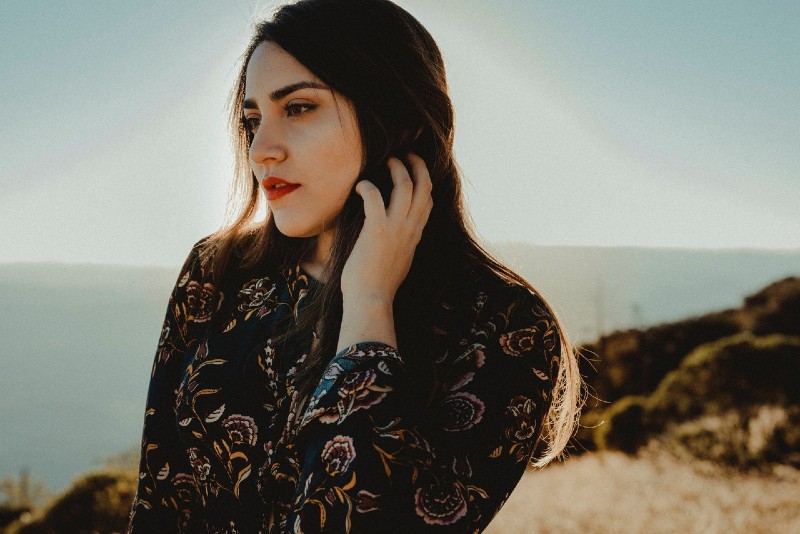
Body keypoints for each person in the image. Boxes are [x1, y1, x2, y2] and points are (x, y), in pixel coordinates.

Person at [128, 0, 582, 532]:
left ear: (402, 121)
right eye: (253, 120)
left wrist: (369, 304)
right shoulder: (217, 272)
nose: (260, 151)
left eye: (298, 108)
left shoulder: (505, 328)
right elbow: (158, 501)